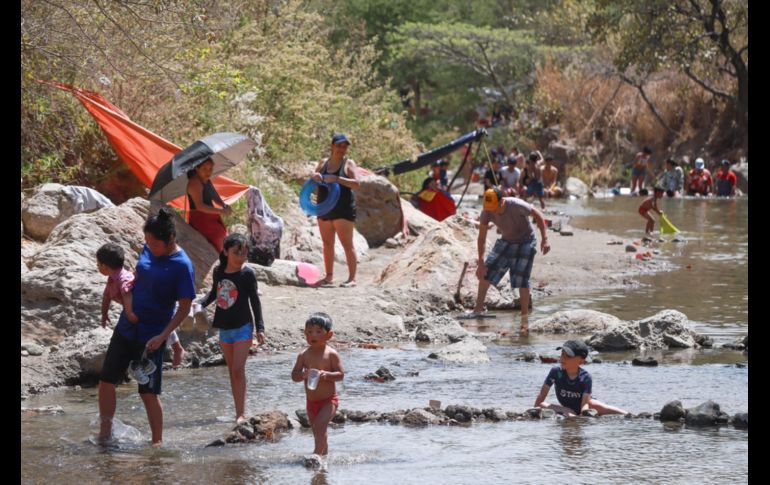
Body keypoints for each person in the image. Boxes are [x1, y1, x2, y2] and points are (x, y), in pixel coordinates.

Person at [97, 207, 196, 446]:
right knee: (106, 381)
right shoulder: (149, 248)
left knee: (149, 393)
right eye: (147, 242)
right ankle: (105, 433)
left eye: (154, 243)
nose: (149, 247)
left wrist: (164, 337)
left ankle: (157, 444)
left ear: (170, 239)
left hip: (152, 336)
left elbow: (183, 308)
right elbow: (136, 276)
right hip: (126, 328)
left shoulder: (182, 266)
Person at [197, 233, 266, 424]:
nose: (241, 257)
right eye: (237, 253)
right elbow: (214, 294)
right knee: (232, 372)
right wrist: (199, 304)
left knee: (238, 370)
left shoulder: (247, 274)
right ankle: (238, 410)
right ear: (226, 252)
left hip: (243, 326)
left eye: (244, 253)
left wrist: (260, 327)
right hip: (224, 327)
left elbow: (255, 301)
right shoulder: (219, 271)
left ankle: (241, 414)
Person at [97, 243, 186, 369]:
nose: (97, 267)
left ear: (104, 267)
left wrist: (129, 313)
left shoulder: (123, 279)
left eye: (98, 264)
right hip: (139, 306)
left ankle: (177, 348)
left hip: (145, 304)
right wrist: (104, 313)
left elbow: (127, 294)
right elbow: (106, 296)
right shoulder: (112, 279)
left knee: (161, 324)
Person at [470, 187, 550, 319]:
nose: (491, 211)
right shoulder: (486, 212)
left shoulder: (516, 204)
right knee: (486, 273)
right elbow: (482, 238)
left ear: (502, 202)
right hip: (506, 241)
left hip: (526, 241)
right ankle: (477, 310)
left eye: (493, 207)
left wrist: (545, 239)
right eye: (488, 208)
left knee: (521, 278)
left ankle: (524, 317)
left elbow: (538, 215)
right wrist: (481, 262)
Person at [291, 312, 345, 466]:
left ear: (329, 335)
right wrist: (303, 375)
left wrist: (326, 374)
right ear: (304, 333)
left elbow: (340, 375)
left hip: (329, 401)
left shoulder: (331, 354)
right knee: (318, 432)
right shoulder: (303, 355)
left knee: (319, 426)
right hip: (311, 402)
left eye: (318, 332)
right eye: (309, 332)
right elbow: (294, 376)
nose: (312, 335)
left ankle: (315, 455)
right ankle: (324, 460)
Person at [311, 133, 361, 287]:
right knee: (327, 244)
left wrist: (338, 179)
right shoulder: (323, 163)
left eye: (345, 146)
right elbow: (313, 186)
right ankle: (329, 277)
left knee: (347, 244)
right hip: (324, 208)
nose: (342, 148)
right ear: (332, 146)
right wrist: (314, 177)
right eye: (339, 145)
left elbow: (357, 183)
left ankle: (352, 279)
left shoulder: (348, 163)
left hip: (343, 209)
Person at [535, 340, 628, 417]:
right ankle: (569, 412)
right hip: (565, 408)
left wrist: (584, 416)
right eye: (562, 354)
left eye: (568, 356)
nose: (562, 358)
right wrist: (533, 412)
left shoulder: (586, 377)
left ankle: (629, 415)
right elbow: (541, 397)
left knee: (596, 405)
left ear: (581, 361)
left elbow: (585, 404)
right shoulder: (555, 372)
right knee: (543, 405)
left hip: (586, 404)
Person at [187, 158, 233, 252]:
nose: (208, 172)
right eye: (204, 169)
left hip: (210, 216)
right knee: (219, 239)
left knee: (224, 238)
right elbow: (200, 206)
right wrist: (221, 211)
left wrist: (223, 205)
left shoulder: (206, 180)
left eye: (210, 169)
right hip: (200, 218)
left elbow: (214, 196)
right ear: (196, 168)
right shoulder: (194, 183)